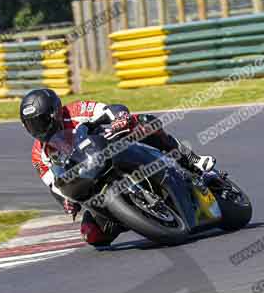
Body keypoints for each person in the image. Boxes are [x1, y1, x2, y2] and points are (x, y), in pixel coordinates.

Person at [20, 88, 216, 247]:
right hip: (89, 179)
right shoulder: (39, 153)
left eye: (41, 121)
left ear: (54, 113)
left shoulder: (75, 111)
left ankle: (191, 160)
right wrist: (66, 202)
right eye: (31, 125)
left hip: (112, 145)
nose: (37, 129)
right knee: (91, 235)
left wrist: (119, 118)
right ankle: (130, 217)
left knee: (145, 123)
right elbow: (54, 184)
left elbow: (109, 109)